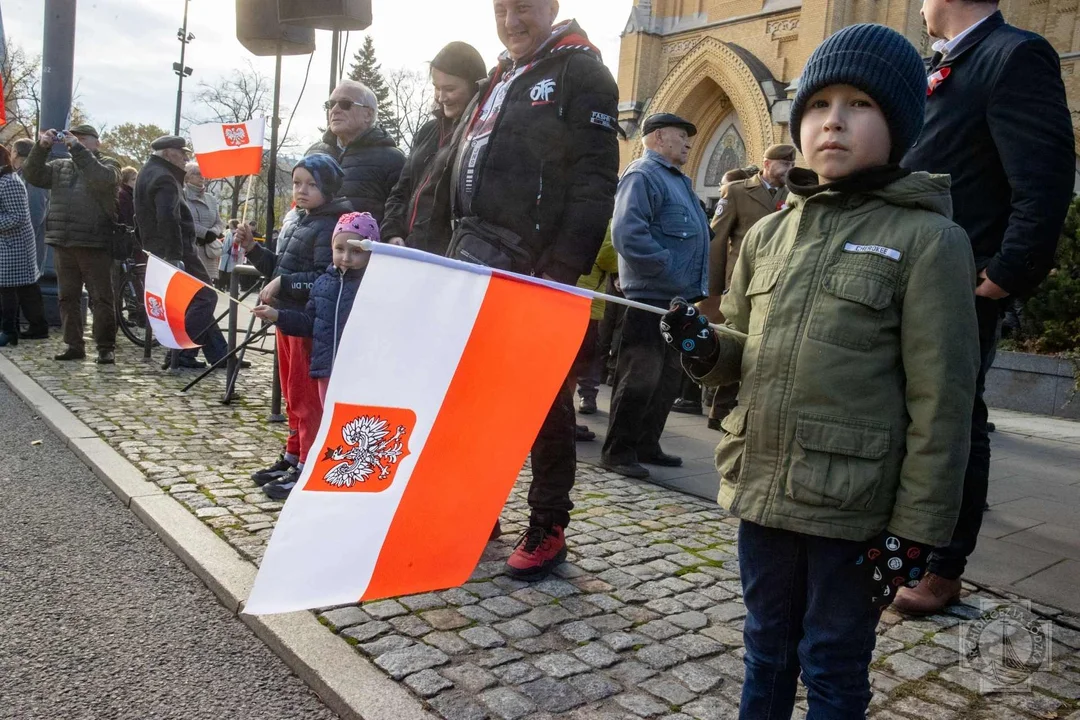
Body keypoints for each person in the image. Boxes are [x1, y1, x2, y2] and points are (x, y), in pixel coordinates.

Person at [661, 25, 981, 717]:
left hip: (854, 514)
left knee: (833, 662)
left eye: (859, 104)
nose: (832, 119)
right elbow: (742, 350)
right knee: (765, 648)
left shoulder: (929, 241)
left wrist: (917, 532)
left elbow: (943, 402)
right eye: (818, 104)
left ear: (896, 123)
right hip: (764, 492)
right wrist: (704, 345)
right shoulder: (771, 233)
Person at [894, 0, 1075, 616]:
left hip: (961, 285)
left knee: (954, 425)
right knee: (916, 419)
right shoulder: (949, 61)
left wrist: (1001, 276)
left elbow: (1045, 180)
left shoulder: (1013, 53)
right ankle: (905, 550)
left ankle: (942, 571)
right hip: (918, 279)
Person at [441, 0, 620, 578]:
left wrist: (560, 268)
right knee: (474, 397)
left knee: (543, 404)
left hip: (536, 271)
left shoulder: (581, 70)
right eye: (501, 9)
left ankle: (548, 523)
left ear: (552, 7)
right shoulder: (499, 77)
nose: (511, 19)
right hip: (473, 260)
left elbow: (595, 182)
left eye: (524, 7)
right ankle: (476, 506)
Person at [234, 154, 352, 500]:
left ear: (327, 187)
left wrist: (284, 284)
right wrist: (252, 248)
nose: (302, 190)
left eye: (311, 184)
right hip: (285, 320)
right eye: (298, 182)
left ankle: (308, 464)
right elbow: (278, 268)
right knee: (291, 395)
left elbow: (322, 277)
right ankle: (293, 453)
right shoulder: (300, 221)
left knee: (305, 399)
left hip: (306, 325)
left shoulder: (329, 225)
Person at [600, 113, 710, 480]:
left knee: (666, 378)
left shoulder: (677, 180)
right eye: (683, 136)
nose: (689, 143)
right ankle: (619, 451)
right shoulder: (642, 174)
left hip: (675, 298)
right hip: (651, 297)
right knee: (640, 376)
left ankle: (646, 444)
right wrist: (664, 268)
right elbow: (627, 233)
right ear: (659, 137)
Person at [253, 212, 377, 409]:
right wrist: (277, 315)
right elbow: (309, 322)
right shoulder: (322, 284)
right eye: (339, 249)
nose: (346, 257)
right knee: (328, 419)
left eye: (356, 251)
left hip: (359, 372)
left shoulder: (373, 286)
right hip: (325, 371)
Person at [22, 124, 120, 364]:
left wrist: (78, 150)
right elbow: (33, 174)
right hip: (63, 241)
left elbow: (102, 179)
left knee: (101, 298)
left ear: (96, 142)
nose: (75, 142)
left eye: (82, 139)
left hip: (94, 242)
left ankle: (106, 346)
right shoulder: (59, 166)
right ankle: (73, 344)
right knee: (67, 297)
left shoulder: (109, 165)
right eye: (73, 138)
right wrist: (41, 147)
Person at [382, 42, 488, 255]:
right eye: (436, 88)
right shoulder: (428, 130)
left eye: (449, 89)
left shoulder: (480, 134)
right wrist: (392, 232)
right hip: (408, 247)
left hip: (447, 255)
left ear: (475, 87)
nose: (441, 97)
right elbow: (401, 189)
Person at [134, 135, 228, 369]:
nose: (186, 157)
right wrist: (175, 256)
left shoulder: (149, 172)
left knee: (198, 300)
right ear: (167, 154)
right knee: (205, 297)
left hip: (160, 247)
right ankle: (181, 355)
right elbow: (168, 217)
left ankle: (221, 355)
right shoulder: (165, 177)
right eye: (181, 153)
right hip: (176, 249)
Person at [306, 80, 405, 224]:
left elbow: (399, 213)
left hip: (361, 245)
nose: (335, 110)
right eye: (331, 104)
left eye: (345, 104)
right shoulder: (314, 154)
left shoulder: (392, 159)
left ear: (368, 115)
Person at [0, 145, 48, 347]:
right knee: (22, 289)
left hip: (13, 245)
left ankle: (9, 331)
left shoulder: (9, 182)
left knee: (7, 289)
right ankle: (30, 327)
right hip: (9, 244)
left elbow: (17, 216)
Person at [574, 224, 618, 418]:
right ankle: (586, 397)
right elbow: (607, 256)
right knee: (587, 353)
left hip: (571, 289)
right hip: (589, 296)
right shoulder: (606, 216)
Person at [183, 163, 225, 280]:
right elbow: (184, 221)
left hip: (209, 251)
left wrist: (213, 233)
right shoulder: (182, 196)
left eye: (203, 173)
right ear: (187, 176)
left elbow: (219, 222)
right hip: (191, 249)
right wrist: (205, 233)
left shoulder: (210, 198)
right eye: (197, 173)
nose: (202, 176)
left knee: (208, 287)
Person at [218, 219, 242, 290]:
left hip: (233, 255)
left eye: (230, 224)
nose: (229, 225)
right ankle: (221, 286)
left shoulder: (238, 233)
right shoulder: (228, 232)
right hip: (225, 254)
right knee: (223, 272)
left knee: (230, 272)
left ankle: (230, 287)